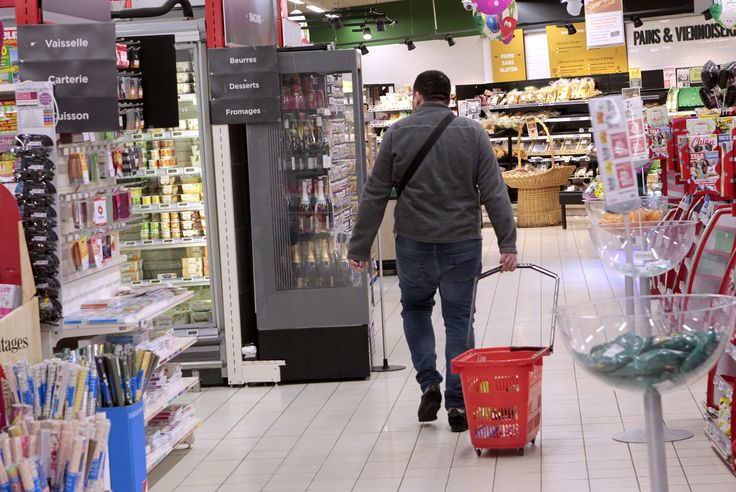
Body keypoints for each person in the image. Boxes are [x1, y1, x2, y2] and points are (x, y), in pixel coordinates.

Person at [348, 70, 518, 432]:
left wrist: (359, 246)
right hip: (462, 243)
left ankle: (429, 383)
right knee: (458, 320)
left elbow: (375, 193)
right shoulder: (471, 133)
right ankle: (458, 402)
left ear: (417, 97)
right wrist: (508, 243)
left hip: (413, 243)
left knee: (416, 310)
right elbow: (494, 191)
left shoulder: (396, 133)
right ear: (449, 96)